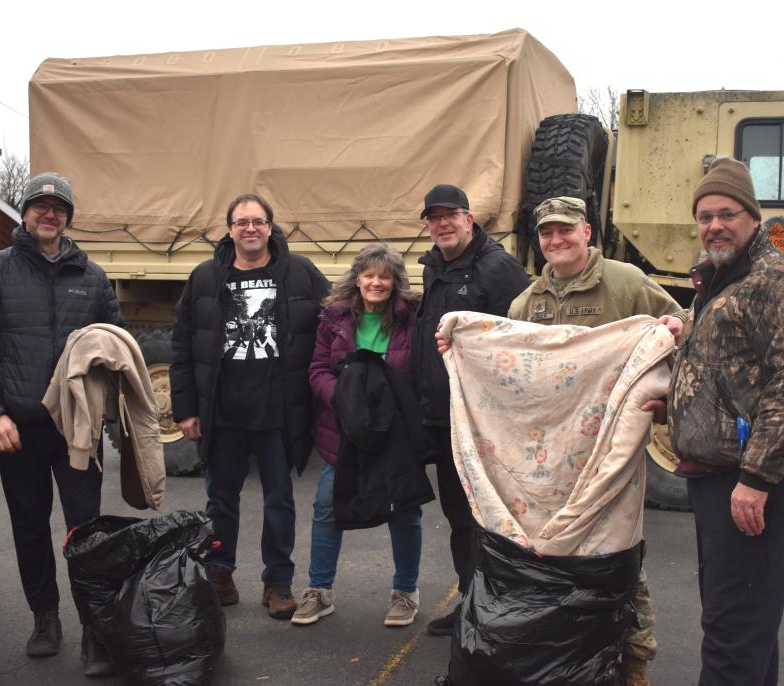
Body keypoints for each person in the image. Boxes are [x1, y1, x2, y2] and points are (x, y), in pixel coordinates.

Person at [440, 195, 684, 685]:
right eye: (547, 234)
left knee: (615, 553)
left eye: (565, 231)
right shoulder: (526, 302)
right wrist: (461, 347)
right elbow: (511, 375)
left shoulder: (626, 282)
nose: (556, 241)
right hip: (548, 459)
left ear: (587, 232)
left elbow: (683, 333)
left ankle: (635, 658)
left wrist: (668, 388)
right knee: (553, 555)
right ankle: (566, 654)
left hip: (610, 450)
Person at [0, 172, 124, 676]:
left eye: (59, 208)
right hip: (17, 429)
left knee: (87, 531)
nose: (49, 214)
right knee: (29, 529)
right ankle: (45, 619)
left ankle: (96, 630)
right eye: (40, 206)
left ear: (68, 217)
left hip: (76, 429)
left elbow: (115, 344)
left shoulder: (91, 276)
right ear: (23, 212)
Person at [668, 157, 784, 685]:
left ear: (753, 217)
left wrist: (756, 480)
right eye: (705, 215)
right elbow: (720, 370)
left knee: (732, 633)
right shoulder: (716, 278)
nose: (714, 225)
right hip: (718, 475)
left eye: (727, 213)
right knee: (748, 625)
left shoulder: (779, 280)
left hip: (755, 482)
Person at [170, 192, 329, 619]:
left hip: (279, 410)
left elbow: (336, 320)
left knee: (280, 498)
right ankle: (219, 573)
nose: (250, 228)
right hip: (223, 410)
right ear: (230, 229)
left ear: (271, 227)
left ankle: (277, 582)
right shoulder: (205, 277)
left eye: (258, 221)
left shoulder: (299, 273)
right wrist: (186, 409)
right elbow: (183, 346)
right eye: (242, 222)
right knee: (220, 499)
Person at [410, 183, 531, 635]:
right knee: (460, 519)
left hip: (483, 422)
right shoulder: (434, 268)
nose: (442, 224)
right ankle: (471, 603)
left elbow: (520, 341)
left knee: (491, 519)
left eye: (450, 215)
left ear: (469, 219)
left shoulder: (498, 268)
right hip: (443, 418)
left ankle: (500, 609)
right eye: (433, 217)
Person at [292, 244, 432, 627]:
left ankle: (405, 593)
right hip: (345, 428)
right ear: (357, 278)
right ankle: (320, 591)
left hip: (395, 431)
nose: (376, 282)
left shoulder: (413, 318)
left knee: (403, 510)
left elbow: (422, 371)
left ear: (395, 282)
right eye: (369, 275)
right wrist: (341, 400)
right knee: (326, 506)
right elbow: (318, 368)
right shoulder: (333, 318)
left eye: (384, 276)